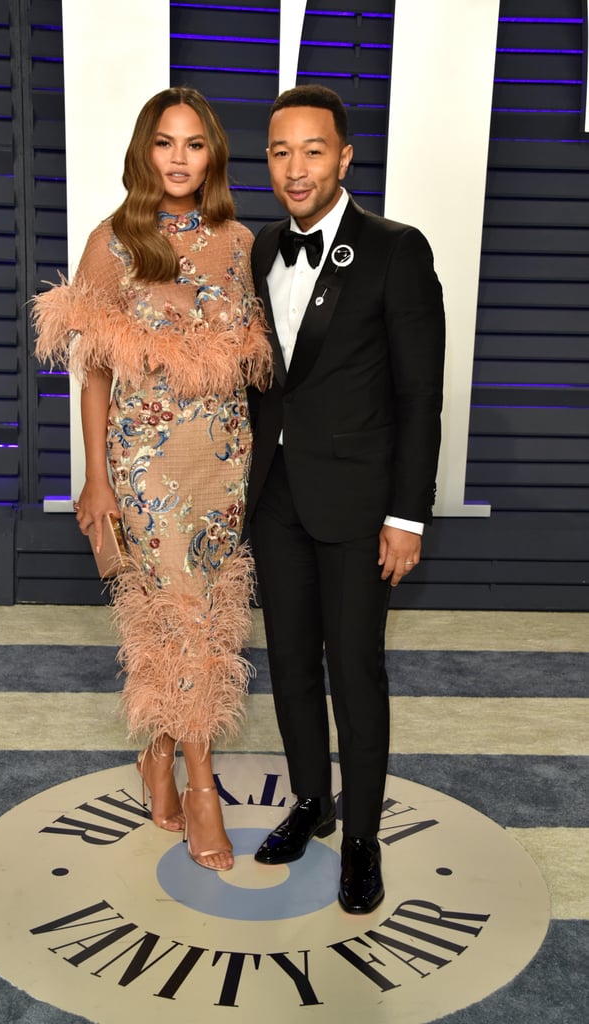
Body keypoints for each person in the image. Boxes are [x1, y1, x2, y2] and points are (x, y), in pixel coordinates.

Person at [33, 87, 271, 872]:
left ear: (212, 155)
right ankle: (201, 782)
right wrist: (96, 477)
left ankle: (156, 753)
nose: (178, 158)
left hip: (224, 458)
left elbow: (262, 359)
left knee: (202, 611)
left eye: (193, 144)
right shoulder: (113, 241)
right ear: (144, 151)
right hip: (145, 461)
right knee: (180, 615)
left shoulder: (239, 242)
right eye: (164, 142)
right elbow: (93, 374)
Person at [246, 85, 445, 912]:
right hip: (277, 498)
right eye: (280, 152)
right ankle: (309, 802)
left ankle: (360, 837)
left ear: (345, 157)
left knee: (353, 672)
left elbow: (418, 397)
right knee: (289, 664)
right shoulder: (258, 250)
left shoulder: (395, 250)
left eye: (312, 150)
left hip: (361, 506)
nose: (295, 169)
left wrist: (406, 517)